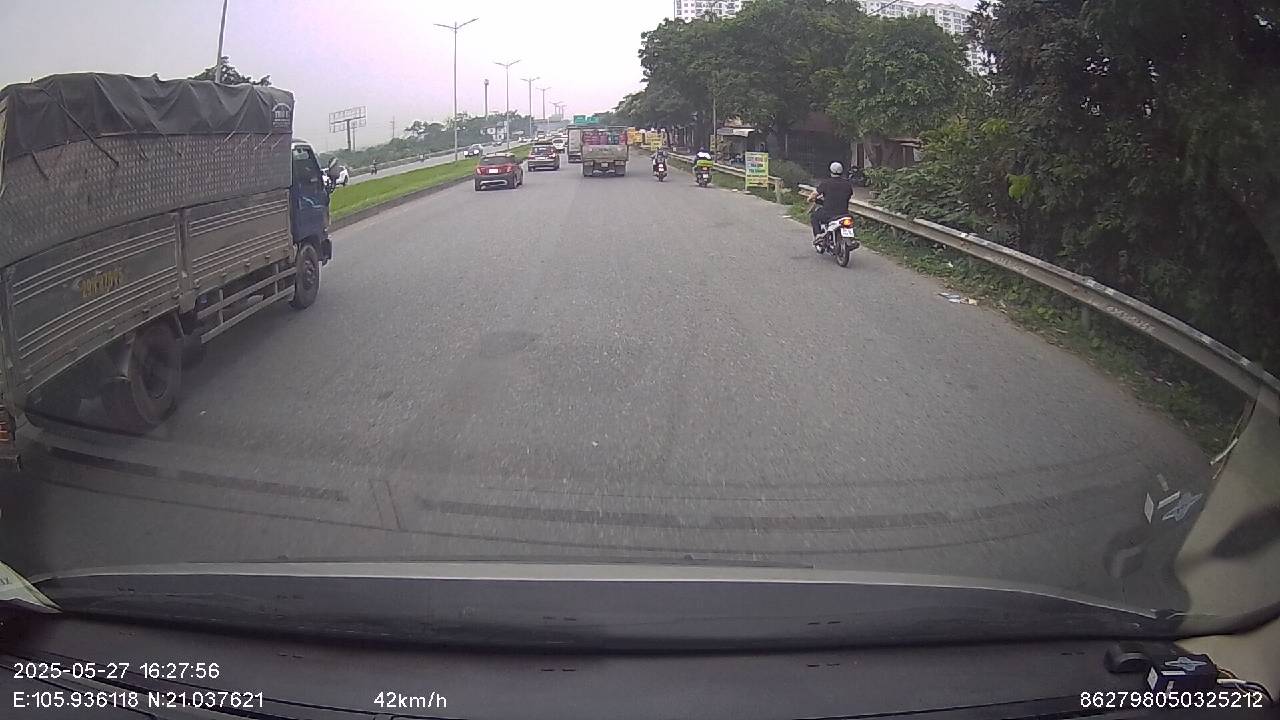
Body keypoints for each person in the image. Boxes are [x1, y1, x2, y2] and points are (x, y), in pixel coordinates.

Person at [809, 161, 855, 243]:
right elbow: (849, 195)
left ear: (830, 171)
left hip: (828, 213)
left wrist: (810, 198)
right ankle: (851, 239)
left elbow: (814, 194)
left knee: (814, 216)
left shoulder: (826, 183)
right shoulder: (847, 184)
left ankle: (818, 235)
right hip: (844, 213)